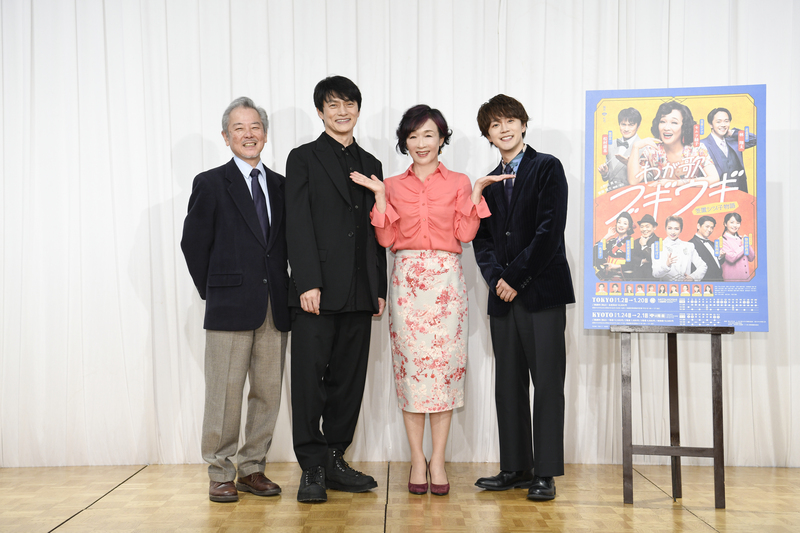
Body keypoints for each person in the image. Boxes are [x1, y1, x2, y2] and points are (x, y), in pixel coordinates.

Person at [351, 105, 502, 497]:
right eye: (413, 136)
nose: (421, 143)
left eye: (429, 135)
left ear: (442, 139)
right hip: (407, 283)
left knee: (444, 374)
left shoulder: (458, 181)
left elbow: (465, 235)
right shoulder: (391, 184)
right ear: (405, 141)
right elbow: (386, 239)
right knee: (412, 375)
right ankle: (417, 459)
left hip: (447, 285)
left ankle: (438, 460)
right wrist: (380, 197)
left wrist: (475, 193)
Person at [181, 97, 290, 503]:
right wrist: (215, 292)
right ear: (226, 137)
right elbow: (193, 245)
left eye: (255, 126)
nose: (249, 134)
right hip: (229, 307)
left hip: (275, 305)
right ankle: (220, 471)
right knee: (224, 394)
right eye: (239, 128)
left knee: (268, 392)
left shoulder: (281, 185)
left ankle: (252, 468)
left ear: (265, 134)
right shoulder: (210, 183)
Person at [285, 76, 387, 503]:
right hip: (318, 291)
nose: (342, 111)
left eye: (349, 104)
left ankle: (335, 460)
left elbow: (376, 228)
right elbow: (296, 222)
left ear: (358, 109)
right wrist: (307, 281)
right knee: (310, 381)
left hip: (361, 290)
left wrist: (378, 285)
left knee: (348, 381)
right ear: (320, 112)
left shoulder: (371, 162)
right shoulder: (303, 158)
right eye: (333, 105)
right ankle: (311, 467)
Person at [472, 94, 575, 502]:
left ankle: (545, 473)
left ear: (523, 124)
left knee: (547, 383)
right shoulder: (487, 182)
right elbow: (481, 240)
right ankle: (515, 467)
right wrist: (498, 279)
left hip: (542, 292)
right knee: (508, 384)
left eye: (510, 120)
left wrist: (515, 277)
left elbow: (550, 231)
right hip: (503, 297)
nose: (504, 129)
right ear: (488, 135)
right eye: (495, 125)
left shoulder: (547, 167)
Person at [628, 101, 719, 186]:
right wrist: (635, 147)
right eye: (663, 122)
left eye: (674, 123)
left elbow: (714, 178)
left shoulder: (697, 149)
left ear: (684, 128)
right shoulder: (651, 151)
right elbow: (633, 181)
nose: (666, 128)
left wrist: (676, 183)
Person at [700, 108, 757, 193]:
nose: (723, 125)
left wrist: (732, 133)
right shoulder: (701, 145)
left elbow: (754, 139)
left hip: (739, 192)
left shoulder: (734, 141)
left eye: (726, 121)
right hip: (715, 194)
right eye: (718, 122)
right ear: (711, 124)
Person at [652, 215, 707, 282]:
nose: (673, 232)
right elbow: (655, 274)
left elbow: (703, 266)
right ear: (665, 228)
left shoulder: (689, 246)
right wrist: (667, 265)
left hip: (685, 287)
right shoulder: (657, 246)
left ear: (681, 230)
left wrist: (693, 277)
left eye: (676, 229)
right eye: (670, 228)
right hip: (666, 287)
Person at [598, 107, 642, 192]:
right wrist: (605, 173)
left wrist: (631, 165)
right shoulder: (611, 145)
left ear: (638, 126)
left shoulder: (644, 147)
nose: (626, 129)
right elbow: (611, 176)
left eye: (631, 125)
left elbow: (650, 178)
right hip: (611, 195)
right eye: (623, 124)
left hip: (633, 195)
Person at [594, 212, 635, 280]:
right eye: (619, 222)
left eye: (625, 223)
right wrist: (607, 236)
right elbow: (597, 253)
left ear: (629, 228)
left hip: (621, 277)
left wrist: (617, 266)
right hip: (608, 276)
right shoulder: (611, 241)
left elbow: (633, 263)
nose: (621, 225)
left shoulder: (631, 242)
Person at [720, 212, 756, 281]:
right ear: (725, 224)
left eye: (738, 223)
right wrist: (744, 245)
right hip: (732, 281)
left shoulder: (742, 238)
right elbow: (731, 258)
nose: (735, 225)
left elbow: (752, 257)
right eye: (732, 222)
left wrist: (747, 243)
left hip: (746, 280)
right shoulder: (721, 241)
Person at [689, 215, 723, 281]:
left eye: (712, 228)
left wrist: (720, 257)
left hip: (719, 281)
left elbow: (715, 263)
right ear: (698, 226)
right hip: (705, 283)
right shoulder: (690, 244)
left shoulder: (712, 243)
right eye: (707, 226)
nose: (709, 230)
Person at [630, 214, 658, 280]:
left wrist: (644, 246)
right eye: (642, 227)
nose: (644, 229)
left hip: (652, 280)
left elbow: (655, 259)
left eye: (647, 227)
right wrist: (642, 261)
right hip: (637, 279)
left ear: (654, 227)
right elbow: (630, 259)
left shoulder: (659, 241)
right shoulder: (635, 242)